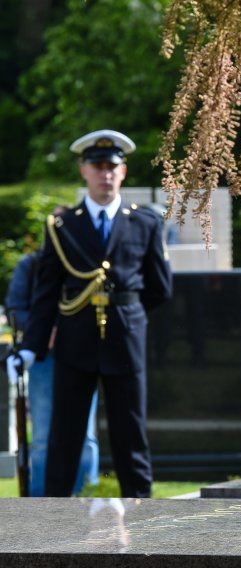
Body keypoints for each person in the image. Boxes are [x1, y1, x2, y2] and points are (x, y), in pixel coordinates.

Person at [5, 130, 172, 497]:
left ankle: (144, 527)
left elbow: (160, 289)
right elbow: (47, 293)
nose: (105, 174)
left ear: (123, 171)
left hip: (125, 345)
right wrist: (31, 347)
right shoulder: (64, 226)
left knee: (132, 440)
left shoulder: (144, 223)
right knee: (64, 439)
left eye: (112, 167)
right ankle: (52, 530)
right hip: (75, 344)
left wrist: (127, 318)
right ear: (83, 171)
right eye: (97, 166)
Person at [5, 230, 99, 496]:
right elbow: (16, 307)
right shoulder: (31, 264)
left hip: (82, 354)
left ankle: (87, 498)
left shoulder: (86, 263)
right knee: (43, 436)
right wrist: (43, 331)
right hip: (44, 357)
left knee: (86, 436)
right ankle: (40, 501)